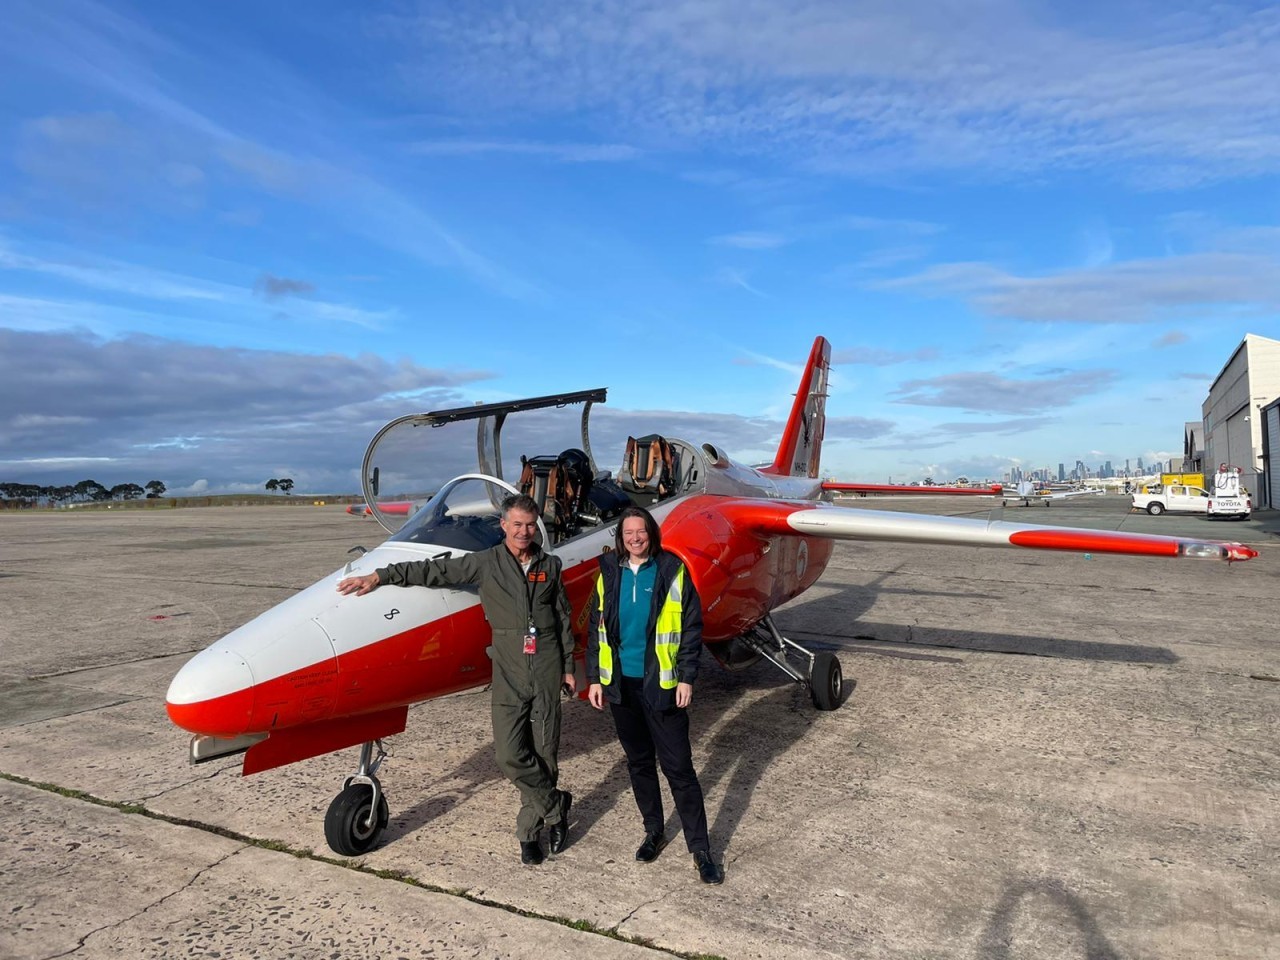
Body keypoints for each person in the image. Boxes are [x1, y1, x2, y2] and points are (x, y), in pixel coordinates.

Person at [336, 494, 576, 866]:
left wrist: (568, 668)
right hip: (509, 671)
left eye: (529, 525)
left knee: (546, 755)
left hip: (545, 666)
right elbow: (433, 571)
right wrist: (380, 575)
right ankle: (556, 806)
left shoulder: (550, 565)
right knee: (509, 755)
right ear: (504, 526)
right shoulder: (486, 564)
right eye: (516, 524)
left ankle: (530, 833)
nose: (524, 531)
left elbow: (561, 617)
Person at [586, 506, 724, 884]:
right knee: (639, 764)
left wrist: (687, 678)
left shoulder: (670, 571)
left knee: (679, 769)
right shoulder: (609, 572)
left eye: (641, 532)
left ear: (651, 534)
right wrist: (595, 678)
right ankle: (653, 831)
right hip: (621, 686)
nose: (635, 538)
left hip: (661, 684)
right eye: (628, 533)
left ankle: (701, 849)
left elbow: (691, 627)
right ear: (621, 538)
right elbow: (596, 628)